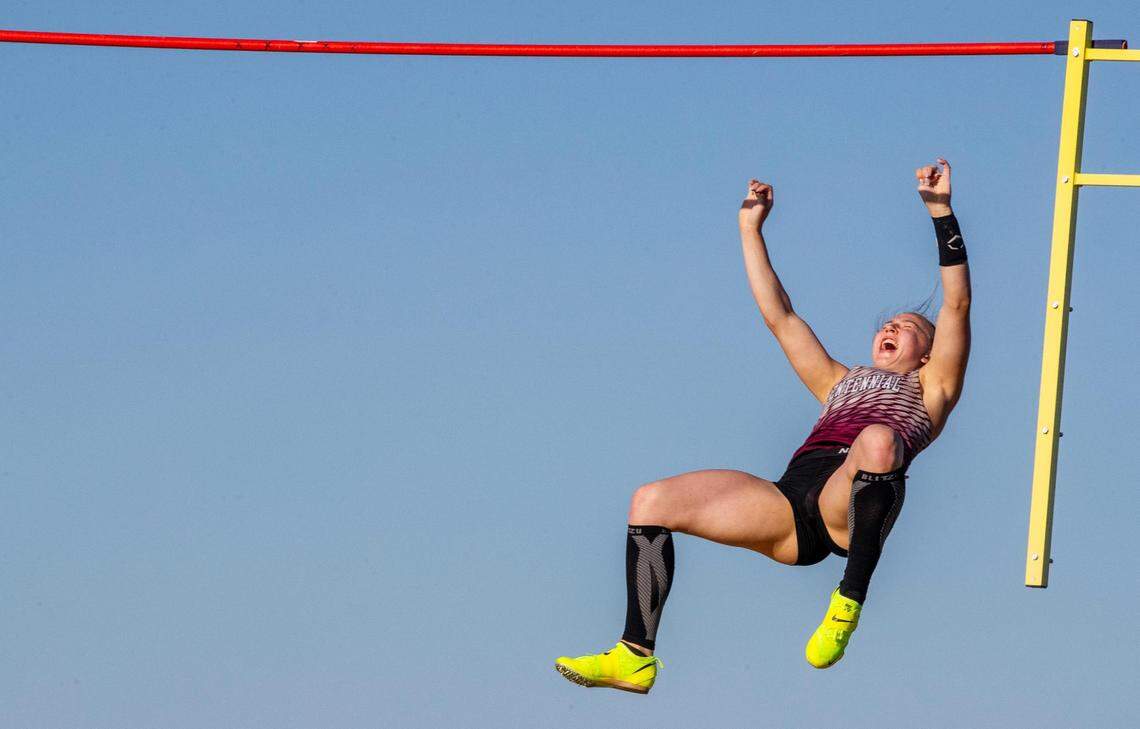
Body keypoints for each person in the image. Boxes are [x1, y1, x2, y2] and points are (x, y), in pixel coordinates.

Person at [554, 159, 971, 694]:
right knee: (650, 500)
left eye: (908, 328)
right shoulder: (837, 381)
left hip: (846, 504)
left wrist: (941, 210)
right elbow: (781, 316)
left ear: (927, 354)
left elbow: (957, 303)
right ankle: (634, 656)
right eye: (888, 324)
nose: (891, 327)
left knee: (877, 439)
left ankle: (848, 602)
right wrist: (750, 230)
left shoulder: (932, 388)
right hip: (789, 504)